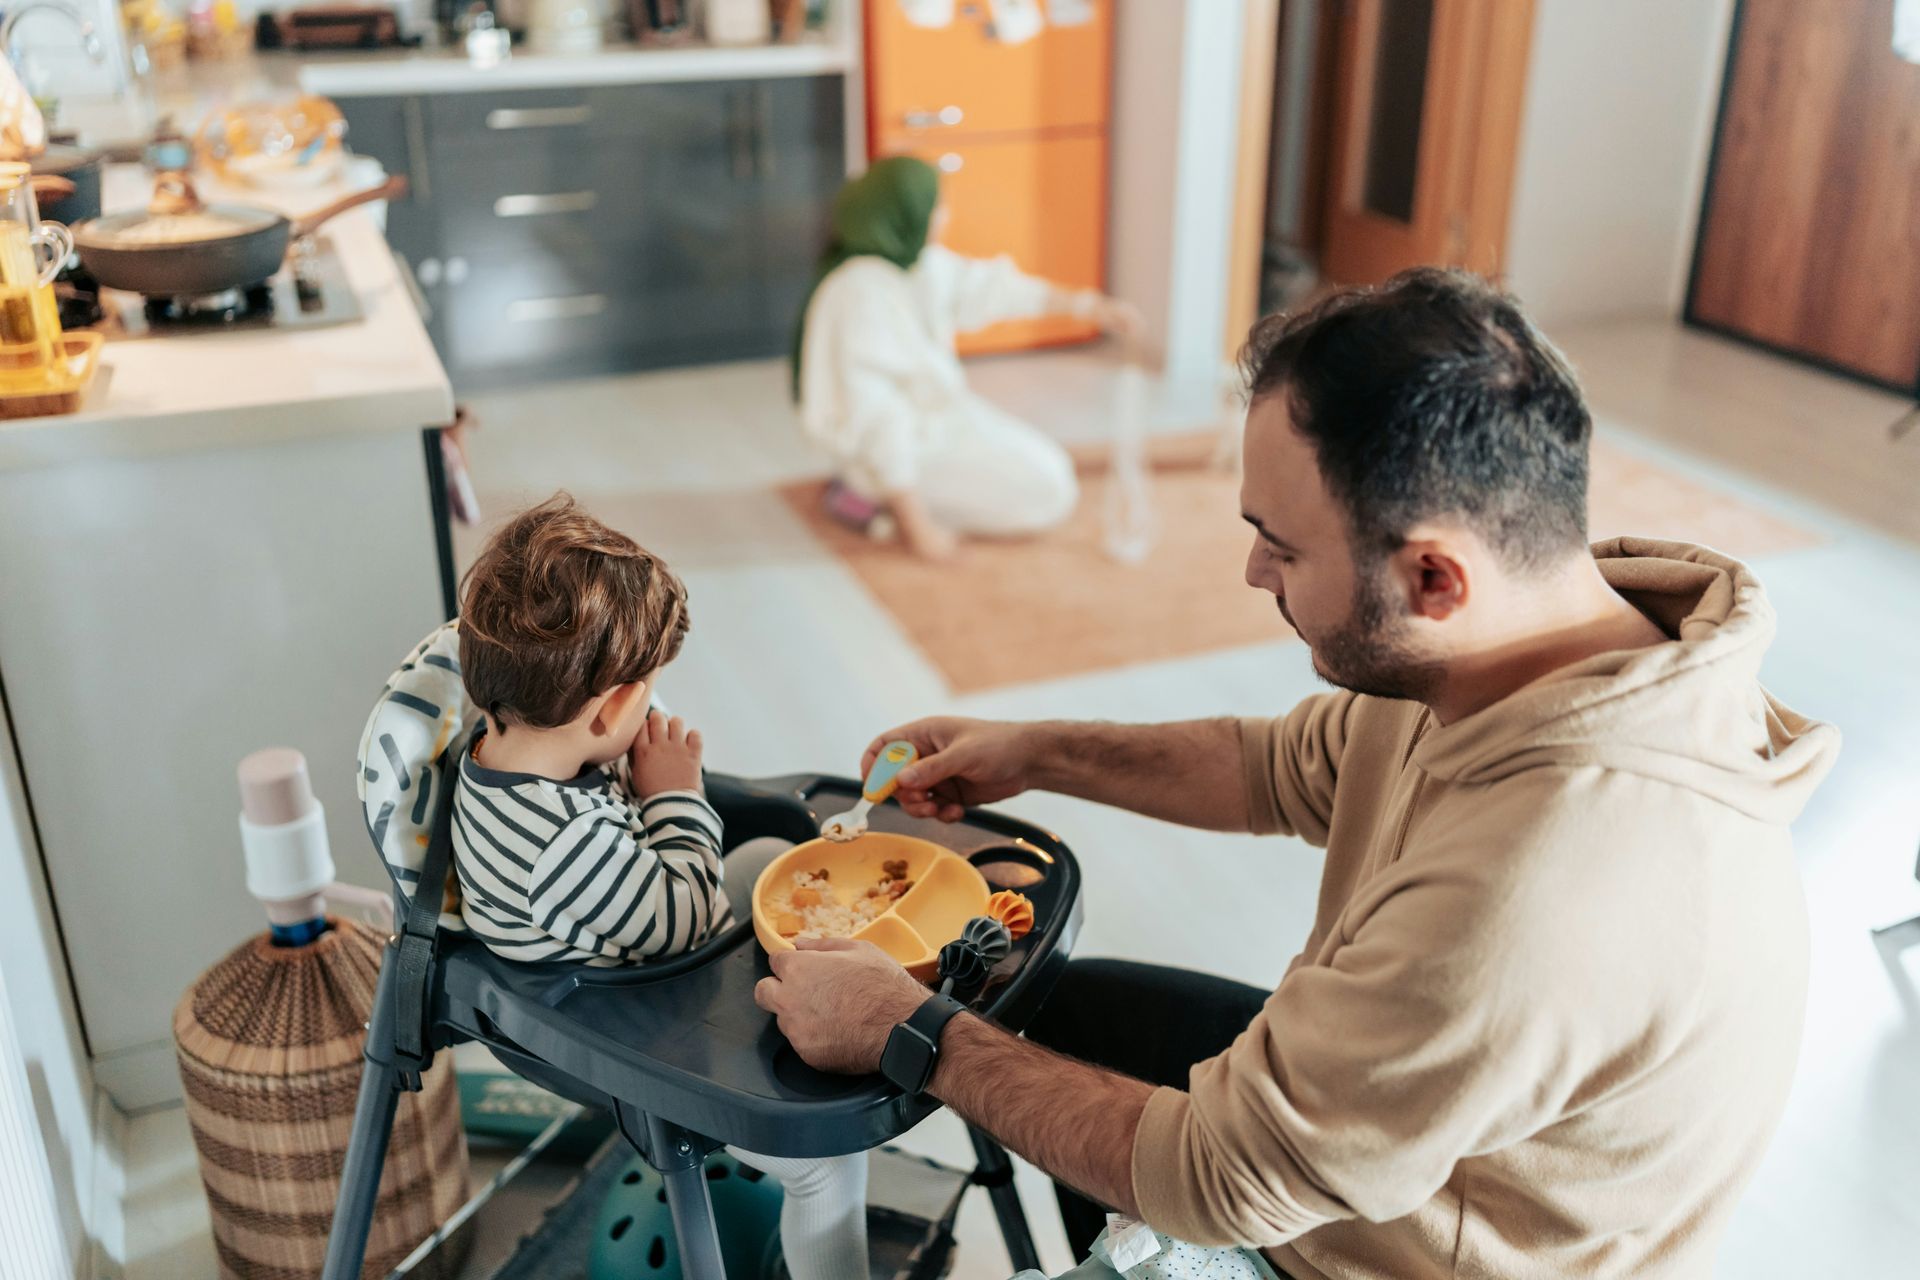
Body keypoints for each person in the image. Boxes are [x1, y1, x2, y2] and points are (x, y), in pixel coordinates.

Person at [753, 269, 1841, 1279]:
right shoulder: (1538, 634)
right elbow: (1284, 765)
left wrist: (910, 1032)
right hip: (1381, 1142)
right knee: (1048, 1009)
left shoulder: (1543, 886)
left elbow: (1224, 1177)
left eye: (1282, 543)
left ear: (1432, 575)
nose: (1251, 570)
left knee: (993, 1039)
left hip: (1391, 1255)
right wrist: (1035, 748)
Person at [452, 495, 867, 1280]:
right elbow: (691, 916)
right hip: (637, 1022)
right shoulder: (561, 848)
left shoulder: (499, 742)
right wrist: (676, 793)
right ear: (609, 707)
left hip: (625, 947)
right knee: (827, 1164)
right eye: (646, 688)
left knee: (779, 860)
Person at [793, 155, 1139, 560]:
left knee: (1055, 472)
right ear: (905, 211)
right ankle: (869, 495)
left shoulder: (918, 266)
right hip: (890, 450)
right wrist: (918, 526)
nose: (945, 216)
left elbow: (996, 290)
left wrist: (1088, 306)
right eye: (937, 207)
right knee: (1045, 497)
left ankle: (870, 491)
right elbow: (879, 417)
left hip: (934, 423)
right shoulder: (858, 293)